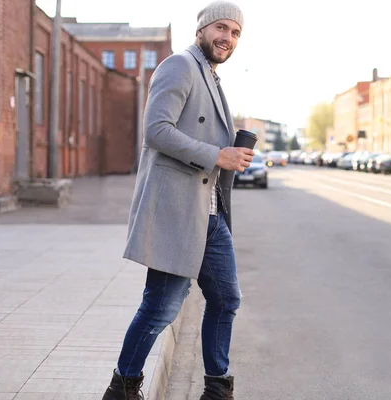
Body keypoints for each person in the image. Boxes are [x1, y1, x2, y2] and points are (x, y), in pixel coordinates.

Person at [101, 1, 252, 399]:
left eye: (236, 33)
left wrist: (230, 155)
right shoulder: (179, 65)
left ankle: (217, 388)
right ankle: (124, 386)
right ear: (202, 29)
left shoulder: (212, 78)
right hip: (180, 211)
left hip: (211, 214)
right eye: (221, 28)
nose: (228, 38)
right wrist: (216, 155)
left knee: (226, 299)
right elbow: (156, 130)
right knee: (161, 308)